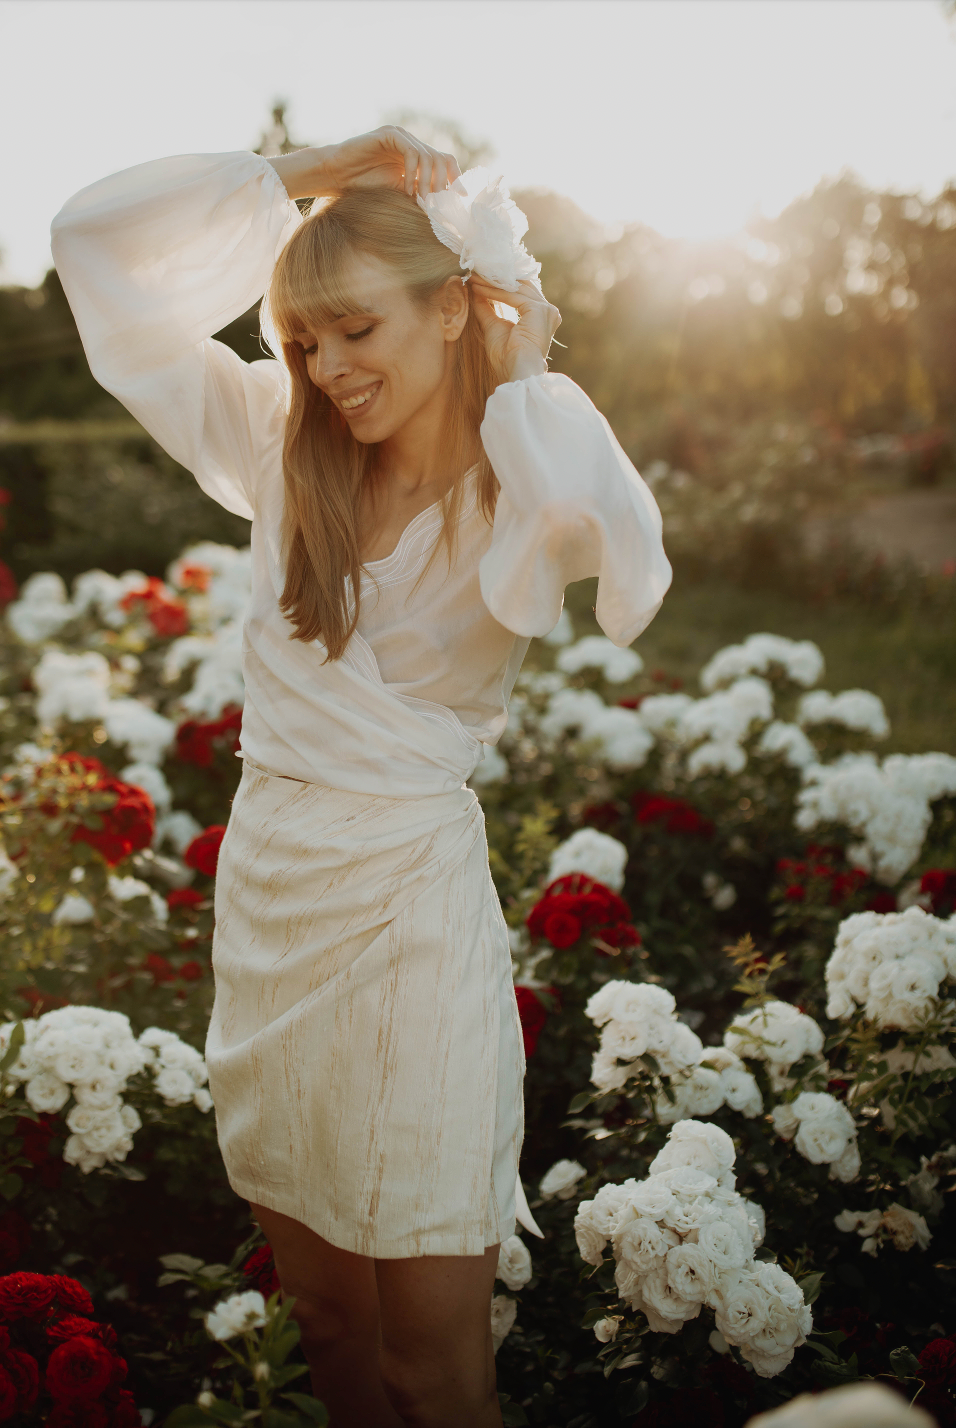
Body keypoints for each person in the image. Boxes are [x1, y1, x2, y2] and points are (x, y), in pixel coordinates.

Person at [51, 125, 672, 1428]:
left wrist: (516, 355)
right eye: (302, 341)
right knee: (329, 1322)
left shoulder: (519, 472)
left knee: (433, 1367)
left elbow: (596, 545)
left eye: (355, 331)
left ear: (450, 309)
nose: (326, 368)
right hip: (274, 921)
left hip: (410, 932)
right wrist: (309, 170)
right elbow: (92, 252)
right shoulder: (282, 447)